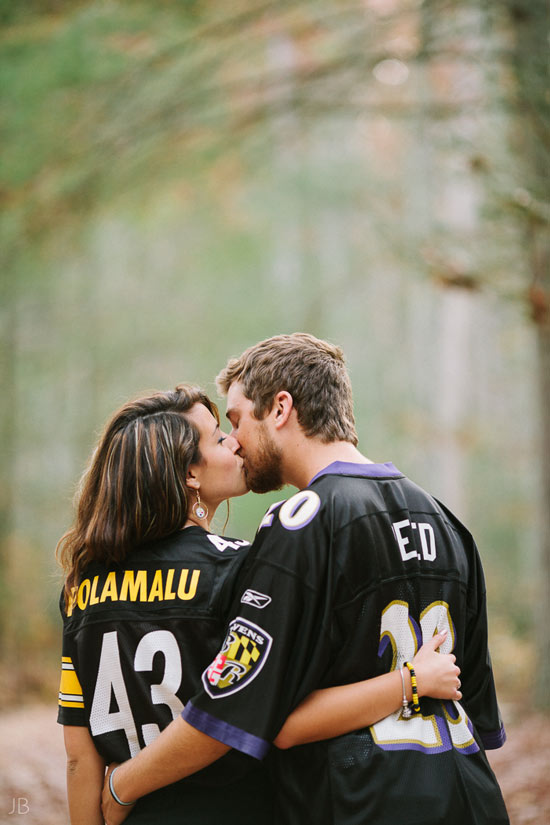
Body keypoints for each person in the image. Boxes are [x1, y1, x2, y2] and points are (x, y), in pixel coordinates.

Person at [101, 333, 509, 825]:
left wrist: (123, 785)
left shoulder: (302, 520)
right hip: (471, 797)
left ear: (280, 409)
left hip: (361, 802)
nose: (234, 442)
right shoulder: (447, 521)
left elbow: (259, 712)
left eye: (235, 420)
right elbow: (478, 715)